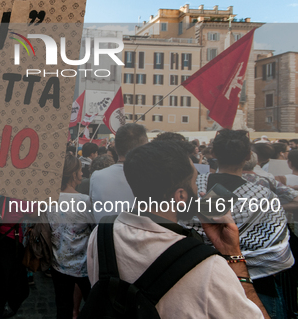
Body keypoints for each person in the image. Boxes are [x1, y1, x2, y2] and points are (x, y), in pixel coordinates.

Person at [87, 140, 268, 318]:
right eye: (195, 182)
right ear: (181, 195)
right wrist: (233, 254)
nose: (199, 191)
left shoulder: (101, 234)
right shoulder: (208, 267)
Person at [186, 129, 293, 317]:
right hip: (257, 286)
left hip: (201, 283)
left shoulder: (192, 187)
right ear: (247, 156)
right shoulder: (264, 196)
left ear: (213, 154)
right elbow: (277, 250)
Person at [47, 154, 95, 319]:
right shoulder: (85, 201)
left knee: (63, 307)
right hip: (83, 266)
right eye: (81, 170)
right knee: (93, 305)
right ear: (74, 174)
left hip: (58, 263)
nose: (82, 174)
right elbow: (94, 228)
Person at [89, 123, 147, 222]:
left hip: (105, 235)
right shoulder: (151, 177)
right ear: (145, 148)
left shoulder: (97, 176)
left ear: (115, 149)